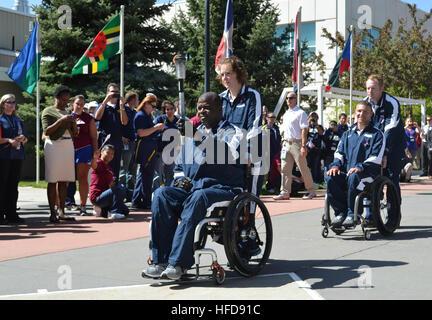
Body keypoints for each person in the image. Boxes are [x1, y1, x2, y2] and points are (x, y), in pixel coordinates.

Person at [142, 92, 244, 280]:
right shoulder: (194, 135)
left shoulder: (234, 132)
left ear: (219, 109)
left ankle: (178, 263)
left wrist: (196, 136)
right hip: (194, 188)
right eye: (199, 108)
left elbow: (226, 154)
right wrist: (181, 180)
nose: (202, 111)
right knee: (162, 194)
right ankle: (161, 261)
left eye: (206, 107)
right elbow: (179, 166)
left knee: (198, 197)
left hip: (223, 188)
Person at [326, 101, 385, 228]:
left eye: (365, 112)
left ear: (371, 114)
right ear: (354, 113)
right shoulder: (347, 134)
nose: (361, 114)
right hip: (348, 172)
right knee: (330, 176)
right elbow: (339, 153)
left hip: (368, 174)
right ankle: (341, 213)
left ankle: (353, 214)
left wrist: (360, 167)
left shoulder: (377, 134)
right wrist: (335, 165)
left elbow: (376, 157)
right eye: (359, 111)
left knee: (354, 177)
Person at [218, 56, 264, 197]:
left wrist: (249, 151)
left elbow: (254, 125)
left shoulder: (252, 96)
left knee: (250, 197)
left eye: (228, 73)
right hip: (228, 155)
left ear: (238, 73)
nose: (225, 78)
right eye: (222, 74)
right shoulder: (221, 98)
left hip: (250, 154)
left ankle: (250, 217)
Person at [365, 75, 406, 199]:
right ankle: (371, 212)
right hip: (376, 145)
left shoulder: (391, 103)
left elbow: (390, 130)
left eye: (373, 88)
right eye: (367, 88)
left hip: (394, 145)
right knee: (370, 176)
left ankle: (393, 213)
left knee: (392, 178)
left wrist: (385, 153)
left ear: (381, 88)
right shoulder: (365, 103)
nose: (370, 92)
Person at [41, 85, 78, 223]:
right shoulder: (48, 111)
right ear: (56, 97)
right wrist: (61, 120)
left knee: (64, 180)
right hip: (54, 145)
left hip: (68, 145)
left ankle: (62, 212)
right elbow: (47, 131)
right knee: (53, 179)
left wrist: (73, 123)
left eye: (67, 100)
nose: (65, 103)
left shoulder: (68, 112)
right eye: (63, 99)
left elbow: (75, 133)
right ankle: (52, 213)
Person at [273, 92, 316, 200]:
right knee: (284, 169)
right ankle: (285, 192)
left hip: (297, 143)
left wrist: (303, 145)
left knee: (303, 168)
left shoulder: (301, 113)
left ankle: (311, 190)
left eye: (291, 98)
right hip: (286, 143)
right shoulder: (287, 113)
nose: (288, 100)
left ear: (296, 99)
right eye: (287, 98)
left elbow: (304, 129)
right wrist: (283, 141)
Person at [132, 94, 165, 209]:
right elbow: (141, 133)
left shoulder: (146, 115)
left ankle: (137, 199)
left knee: (143, 174)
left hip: (149, 146)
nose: (154, 108)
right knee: (147, 175)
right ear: (146, 104)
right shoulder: (141, 115)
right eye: (152, 106)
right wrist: (156, 127)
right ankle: (145, 201)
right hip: (145, 147)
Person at [0, 94, 28, 224]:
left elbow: (26, 138)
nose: (11, 104)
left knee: (13, 185)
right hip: (3, 156)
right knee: (2, 185)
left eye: (13, 102)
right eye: (8, 102)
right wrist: (9, 140)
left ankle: (11, 213)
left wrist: (22, 138)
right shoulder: (0, 120)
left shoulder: (19, 120)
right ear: (3, 104)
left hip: (17, 156)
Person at [69, 95, 98, 215]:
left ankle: (83, 206)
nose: (80, 106)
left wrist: (95, 152)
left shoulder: (88, 118)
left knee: (82, 178)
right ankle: (59, 207)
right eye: (77, 104)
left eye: (82, 104)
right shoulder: (67, 117)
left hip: (84, 149)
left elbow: (94, 137)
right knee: (65, 179)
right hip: (68, 149)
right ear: (72, 104)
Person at [94, 83, 128, 179]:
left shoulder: (120, 107)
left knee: (116, 169)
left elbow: (124, 122)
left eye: (117, 92)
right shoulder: (103, 105)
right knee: (104, 166)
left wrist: (122, 106)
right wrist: (105, 101)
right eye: (113, 92)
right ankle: (103, 190)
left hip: (117, 140)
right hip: (106, 140)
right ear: (107, 92)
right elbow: (97, 117)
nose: (115, 94)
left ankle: (114, 191)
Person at [89, 145, 129, 219]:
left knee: (125, 211)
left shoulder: (109, 168)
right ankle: (114, 212)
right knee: (119, 188)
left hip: (106, 196)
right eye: (108, 152)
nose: (110, 155)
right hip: (97, 197)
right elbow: (94, 165)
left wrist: (111, 186)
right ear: (101, 152)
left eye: (112, 154)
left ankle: (102, 211)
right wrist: (94, 158)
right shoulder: (99, 162)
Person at [152, 100, 180, 190]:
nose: (169, 111)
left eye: (171, 109)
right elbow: (152, 131)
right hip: (160, 151)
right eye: (167, 109)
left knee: (170, 174)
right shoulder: (160, 119)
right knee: (158, 174)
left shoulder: (178, 120)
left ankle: (169, 192)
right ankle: (156, 193)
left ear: (174, 109)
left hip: (172, 151)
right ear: (164, 110)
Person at [119, 91, 139, 202]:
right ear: (132, 100)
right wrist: (121, 137)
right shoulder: (123, 110)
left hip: (134, 143)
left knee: (133, 170)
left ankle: (130, 195)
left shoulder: (135, 112)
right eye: (137, 99)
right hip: (125, 144)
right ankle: (120, 195)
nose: (138, 101)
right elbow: (120, 125)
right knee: (123, 170)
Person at [262, 112, 281, 193]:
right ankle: (269, 187)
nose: (272, 119)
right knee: (269, 170)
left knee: (277, 169)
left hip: (277, 151)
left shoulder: (276, 128)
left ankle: (276, 186)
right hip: (268, 152)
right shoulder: (265, 128)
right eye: (270, 117)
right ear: (267, 118)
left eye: (274, 117)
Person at [306, 112, 324, 184]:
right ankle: (306, 182)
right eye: (312, 117)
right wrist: (308, 123)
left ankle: (315, 181)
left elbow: (321, 133)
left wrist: (316, 125)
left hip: (316, 150)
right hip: (307, 149)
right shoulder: (307, 126)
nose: (313, 118)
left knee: (315, 166)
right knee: (306, 166)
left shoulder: (319, 126)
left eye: (315, 117)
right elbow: (304, 133)